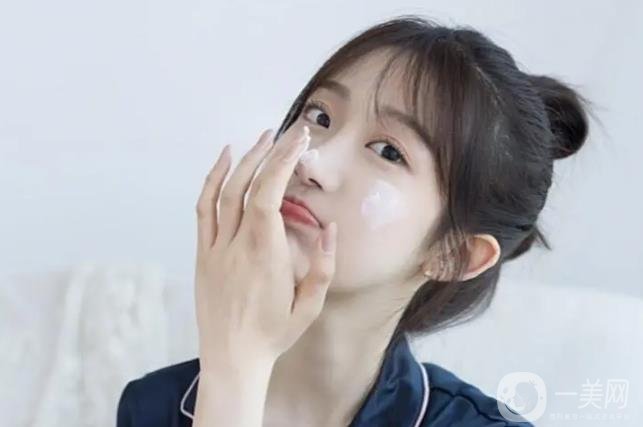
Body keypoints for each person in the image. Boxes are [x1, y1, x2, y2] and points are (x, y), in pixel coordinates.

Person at [116, 15, 591, 427]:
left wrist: (236, 372)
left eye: (388, 152)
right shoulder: (152, 407)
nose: (311, 160)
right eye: (319, 116)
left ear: (454, 253)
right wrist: (232, 372)